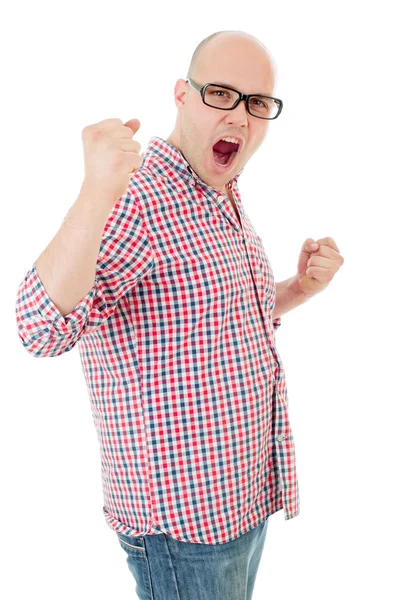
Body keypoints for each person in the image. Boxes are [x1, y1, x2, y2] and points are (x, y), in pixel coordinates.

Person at [15, 29, 344, 600]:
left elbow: (219, 317)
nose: (240, 117)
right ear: (181, 95)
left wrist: (299, 289)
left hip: (239, 500)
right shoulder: (136, 200)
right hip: (182, 525)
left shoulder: (220, 190)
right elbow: (38, 327)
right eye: (221, 93)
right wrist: (95, 192)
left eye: (258, 103)